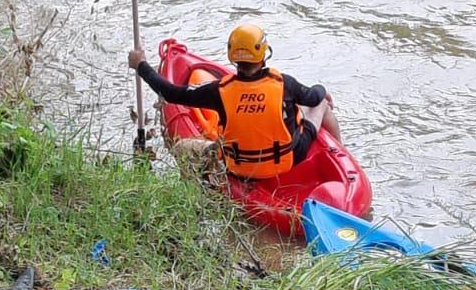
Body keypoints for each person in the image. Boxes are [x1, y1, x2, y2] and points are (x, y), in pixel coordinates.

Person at [129, 23, 341, 179]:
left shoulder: (218, 91)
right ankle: (339, 156)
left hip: (238, 167)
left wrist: (141, 66)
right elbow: (313, 96)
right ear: (264, 54)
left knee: (181, 146)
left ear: (232, 55)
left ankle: (200, 188)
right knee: (320, 104)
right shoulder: (284, 84)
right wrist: (323, 91)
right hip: (289, 159)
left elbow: (172, 93)